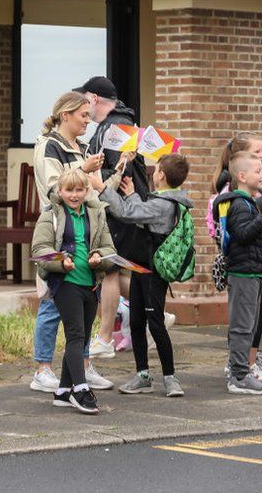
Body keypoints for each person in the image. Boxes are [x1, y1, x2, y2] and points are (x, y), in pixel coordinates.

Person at [29, 91, 112, 393]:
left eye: (89, 115)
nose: (89, 121)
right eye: (84, 116)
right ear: (65, 115)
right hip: (59, 230)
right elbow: (55, 189)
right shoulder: (50, 146)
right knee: (53, 301)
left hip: (86, 228)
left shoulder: (83, 146)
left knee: (87, 299)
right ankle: (42, 369)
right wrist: (84, 170)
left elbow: (95, 190)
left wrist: (113, 174)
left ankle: (84, 365)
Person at [92, 153, 191, 397]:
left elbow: (128, 213)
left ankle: (170, 377)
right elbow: (141, 209)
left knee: (155, 323)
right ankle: (142, 374)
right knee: (136, 321)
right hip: (140, 268)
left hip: (152, 273)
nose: (154, 171)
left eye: (156, 169)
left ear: (161, 175)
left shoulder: (163, 204)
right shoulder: (167, 199)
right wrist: (134, 193)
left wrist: (102, 188)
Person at [33, 168, 115, 415]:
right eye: (69, 190)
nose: (75, 195)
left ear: (87, 191)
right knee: (77, 334)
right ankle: (80, 389)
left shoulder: (96, 213)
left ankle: (62, 391)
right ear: (60, 191)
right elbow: (40, 249)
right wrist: (61, 262)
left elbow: (110, 248)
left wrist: (100, 257)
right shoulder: (51, 215)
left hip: (89, 284)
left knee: (79, 336)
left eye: (80, 189)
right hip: (65, 283)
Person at [80, 76, 148, 361]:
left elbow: (122, 172)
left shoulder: (113, 128)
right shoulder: (120, 123)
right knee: (116, 269)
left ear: (95, 98)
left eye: (85, 102)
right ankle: (154, 313)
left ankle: (105, 337)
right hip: (125, 206)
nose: (85, 110)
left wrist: (90, 177)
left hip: (119, 207)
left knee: (109, 268)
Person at [208, 133, 262, 375]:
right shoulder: (239, 204)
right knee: (242, 326)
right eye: (258, 172)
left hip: (252, 272)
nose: (261, 176)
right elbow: (243, 234)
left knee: (249, 324)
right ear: (242, 176)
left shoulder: (248, 202)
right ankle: (239, 373)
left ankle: (243, 369)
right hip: (244, 273)